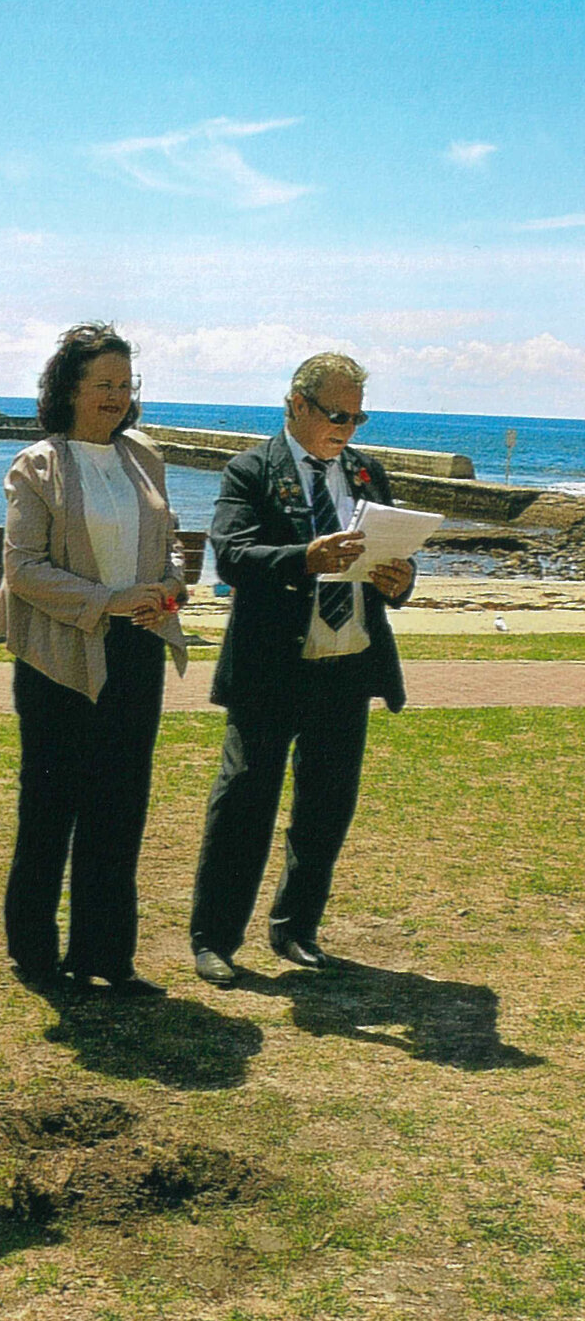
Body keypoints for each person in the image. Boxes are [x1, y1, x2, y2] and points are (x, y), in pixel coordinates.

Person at [190, 353, 415, 984]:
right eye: (336, 413)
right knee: (244, 803)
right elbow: (232, 556)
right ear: (296, 403)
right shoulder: (251, 470)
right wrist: (303, 558)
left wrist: (400, 580)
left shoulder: (367, 473)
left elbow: (391, 556)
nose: (348, 427)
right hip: (272, 669)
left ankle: (296, 929)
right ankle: (214, 937)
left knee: (326, 806)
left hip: (347, 665)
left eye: (358, 415)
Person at [0, 323, 188, 995]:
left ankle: (106, 954)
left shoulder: (145, 457)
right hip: (59, 654)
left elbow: (171, 540)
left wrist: (169, 584)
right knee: (51, 807)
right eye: (103, 383)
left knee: (120, 807)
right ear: (69, 387)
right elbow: (23, 569)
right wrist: (107, 599)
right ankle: (36, 953)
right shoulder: (37, 465)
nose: (116, 396)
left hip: (139, 648)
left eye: (126, 385)